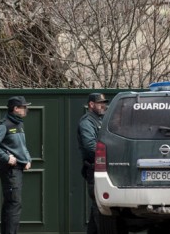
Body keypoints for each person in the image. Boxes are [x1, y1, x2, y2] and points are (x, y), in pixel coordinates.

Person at [0, 96, 33, 234]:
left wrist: (27, 160)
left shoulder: (19, 124)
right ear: (15, 108)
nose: (26, 109)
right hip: (10, 170)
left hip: (19, 169)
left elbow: (21, 146)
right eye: (23, 107)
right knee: (14, 204)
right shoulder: (4, 125)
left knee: (11, 204)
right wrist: (6, 157)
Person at [77, 92, 109, 234]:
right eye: (100, 103)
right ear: (91, 104)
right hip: (94, 169)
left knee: (97, 208)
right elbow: (90, 146)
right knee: (99, 207)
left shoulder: (101, 120)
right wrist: (110, 153)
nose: (103, 105)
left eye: (104, 103)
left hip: (102, 169)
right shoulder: (87, 122)